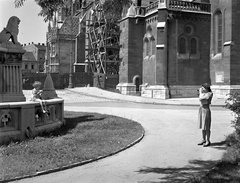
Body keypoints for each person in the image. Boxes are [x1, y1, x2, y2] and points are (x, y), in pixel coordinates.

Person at [197, 83, 213, 147]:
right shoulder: (203, 93)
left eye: (203, 88)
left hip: (206, 110)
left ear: (207, 88)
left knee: (207, 127)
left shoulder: (209, 94)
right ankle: (203, 139)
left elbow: (201, 98)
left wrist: (200, 92)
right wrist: (201, 92)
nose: (202, 89)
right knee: (203, 126)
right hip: (201, 109)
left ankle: (208, 141)